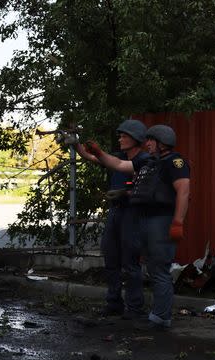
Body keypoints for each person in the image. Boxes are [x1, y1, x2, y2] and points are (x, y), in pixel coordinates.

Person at [85, 125, 190, 329]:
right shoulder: (151, 163)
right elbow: (117, 164)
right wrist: (98, 153)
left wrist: (178, 221)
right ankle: (157, 315)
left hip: (161, 219)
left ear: (162, 143)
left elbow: (183, 191)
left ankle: (160, 318)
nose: (147, 143)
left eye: (151, 140)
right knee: (153, 267)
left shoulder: (175, 162)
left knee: (159, 269)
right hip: (146, 219)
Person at [76, 119, 149, 318]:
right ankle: (114, 303)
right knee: (111, 258)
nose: (120, 138)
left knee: (130, 262)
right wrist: (75, 143)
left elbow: (119, 165)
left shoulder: (144, 159)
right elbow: (90, 157)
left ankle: (135, 308)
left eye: (124, 135)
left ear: (136, 139)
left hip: (132, 213)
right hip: (116, 212)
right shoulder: (119, 156)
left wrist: (125, 194)